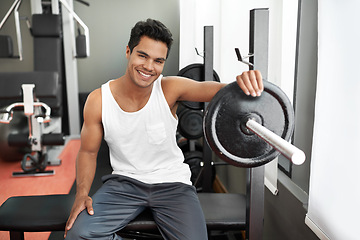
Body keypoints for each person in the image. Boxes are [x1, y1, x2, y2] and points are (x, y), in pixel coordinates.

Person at [64, 18, 263, 240]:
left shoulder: (169, 88)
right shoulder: (98, 100)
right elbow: (88, 152)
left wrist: (242, 83)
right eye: (142, 55)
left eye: (158, 61)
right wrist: (81, 194)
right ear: (128, 51)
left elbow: (218, 92)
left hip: (173, 185)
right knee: (78, 234)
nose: (149, 67)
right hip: (124, 184)